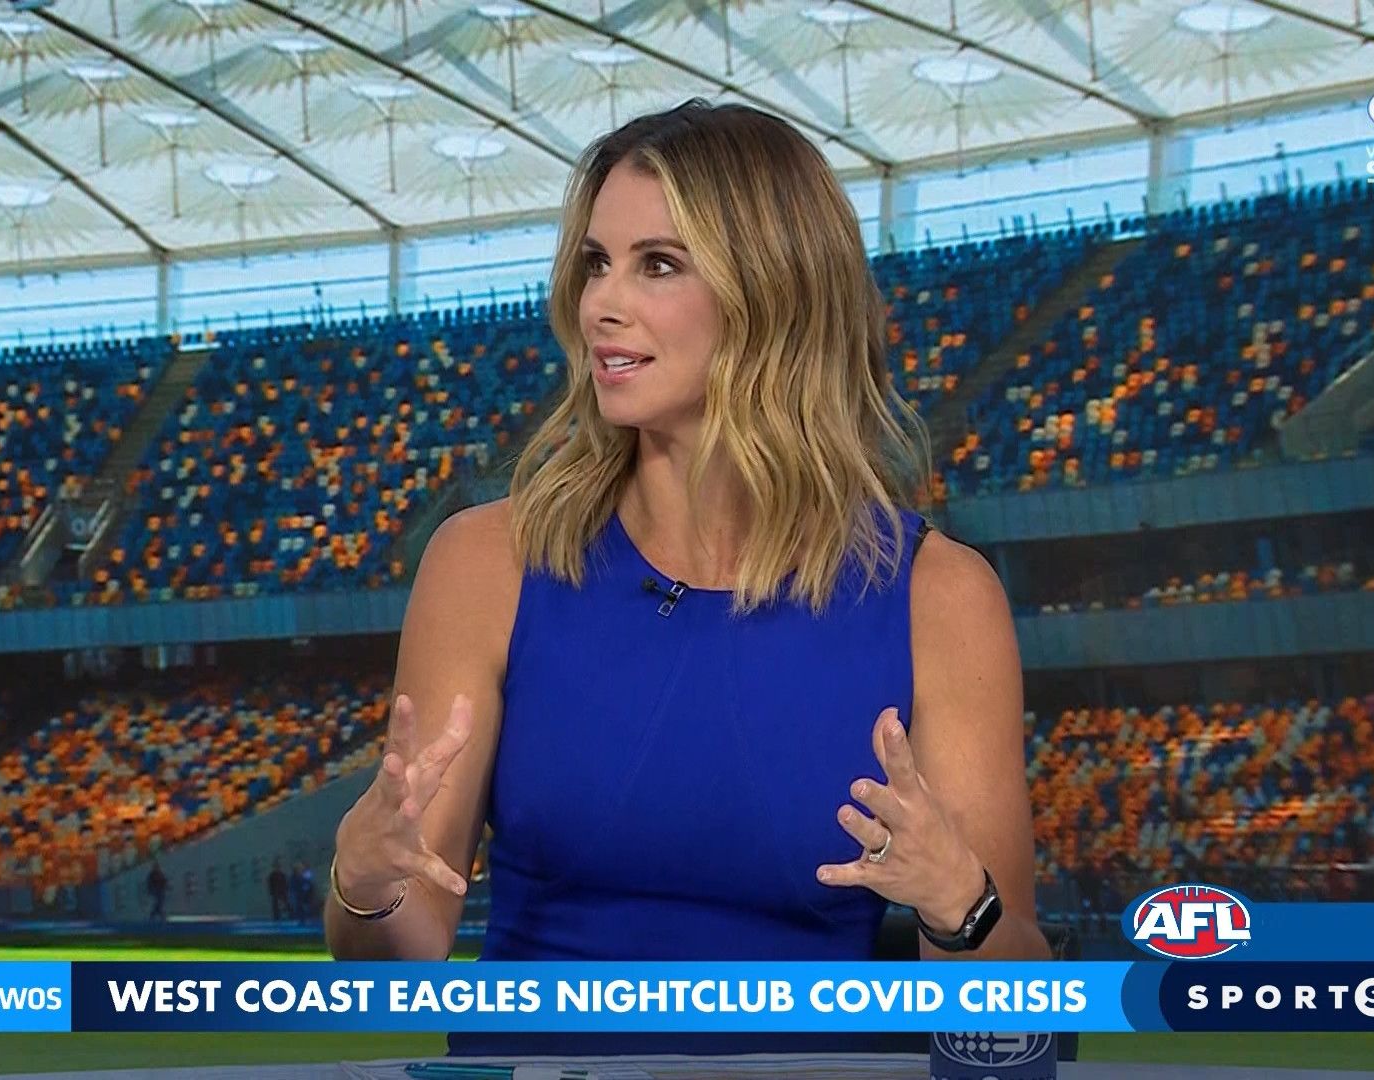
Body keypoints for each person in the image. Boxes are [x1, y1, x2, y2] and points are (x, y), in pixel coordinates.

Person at [325, 98, 1048, 1058]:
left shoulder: (938, 597)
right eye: (595, 262)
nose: (601, 304)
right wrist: (364, 884)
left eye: (658, 264)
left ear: (773, 292)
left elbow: (1015, 1010)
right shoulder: (486, 563)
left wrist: (960, 901)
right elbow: (398, 957)